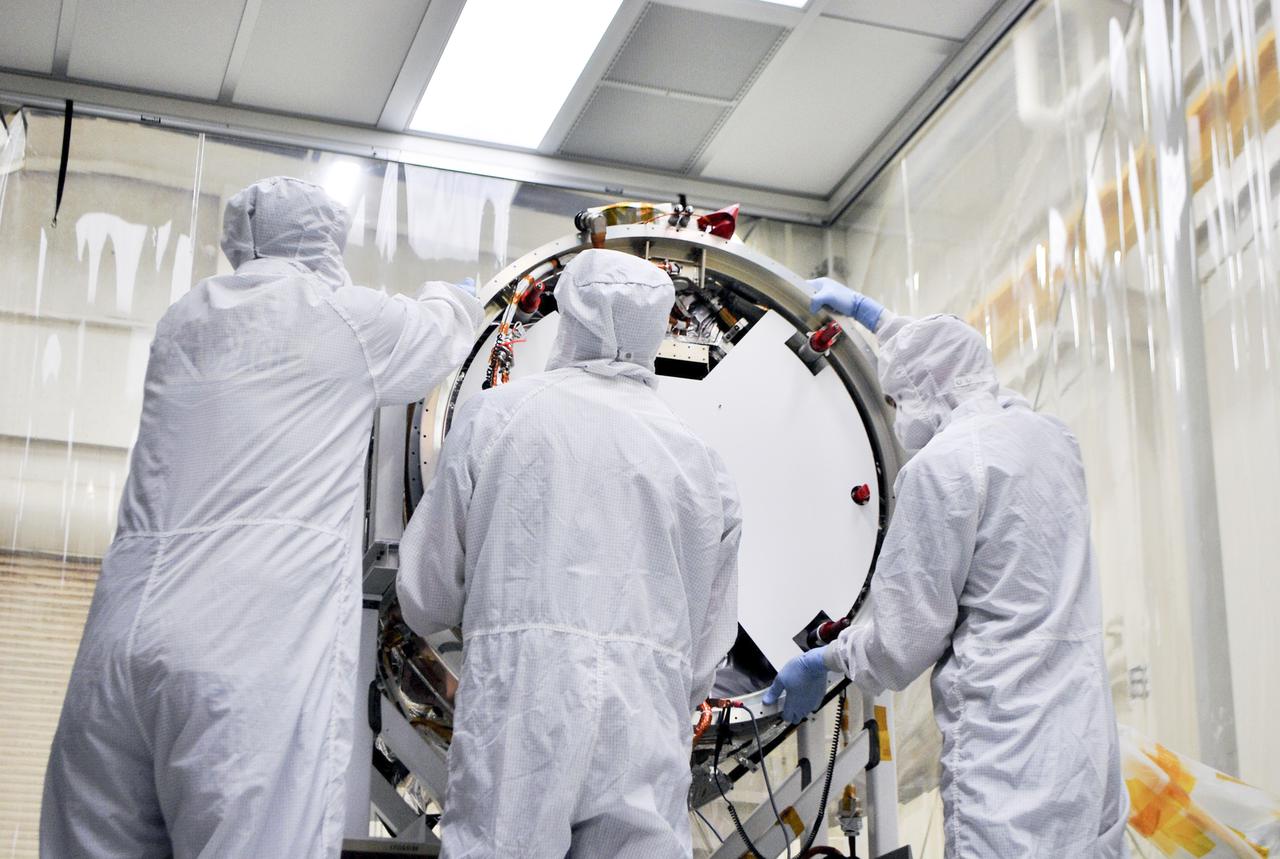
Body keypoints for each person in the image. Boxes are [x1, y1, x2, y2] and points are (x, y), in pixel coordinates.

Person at [41, 177, 482, 858]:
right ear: (325, 241)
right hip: (243, 651)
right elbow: (440, 335)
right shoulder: (341, 317)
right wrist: (455, 289)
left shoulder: (183, 320)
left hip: (119, 646)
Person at [764, 278, 1128, 858]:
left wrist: (824, 659)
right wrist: (876, 318)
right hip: (1086, 746)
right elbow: (943, 362)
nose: (897, 414)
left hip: (1008, 754)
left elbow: (901, 644)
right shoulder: (1052, 440)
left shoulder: (943, 470)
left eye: (894, 400)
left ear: (916, 392)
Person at [396, 248, 742, 858]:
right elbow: (706, 650)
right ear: (659, 327)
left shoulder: (494, 419)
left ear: (569, 314)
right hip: (647, 717)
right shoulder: (702, 464)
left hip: (521, 706)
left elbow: (426, 596)